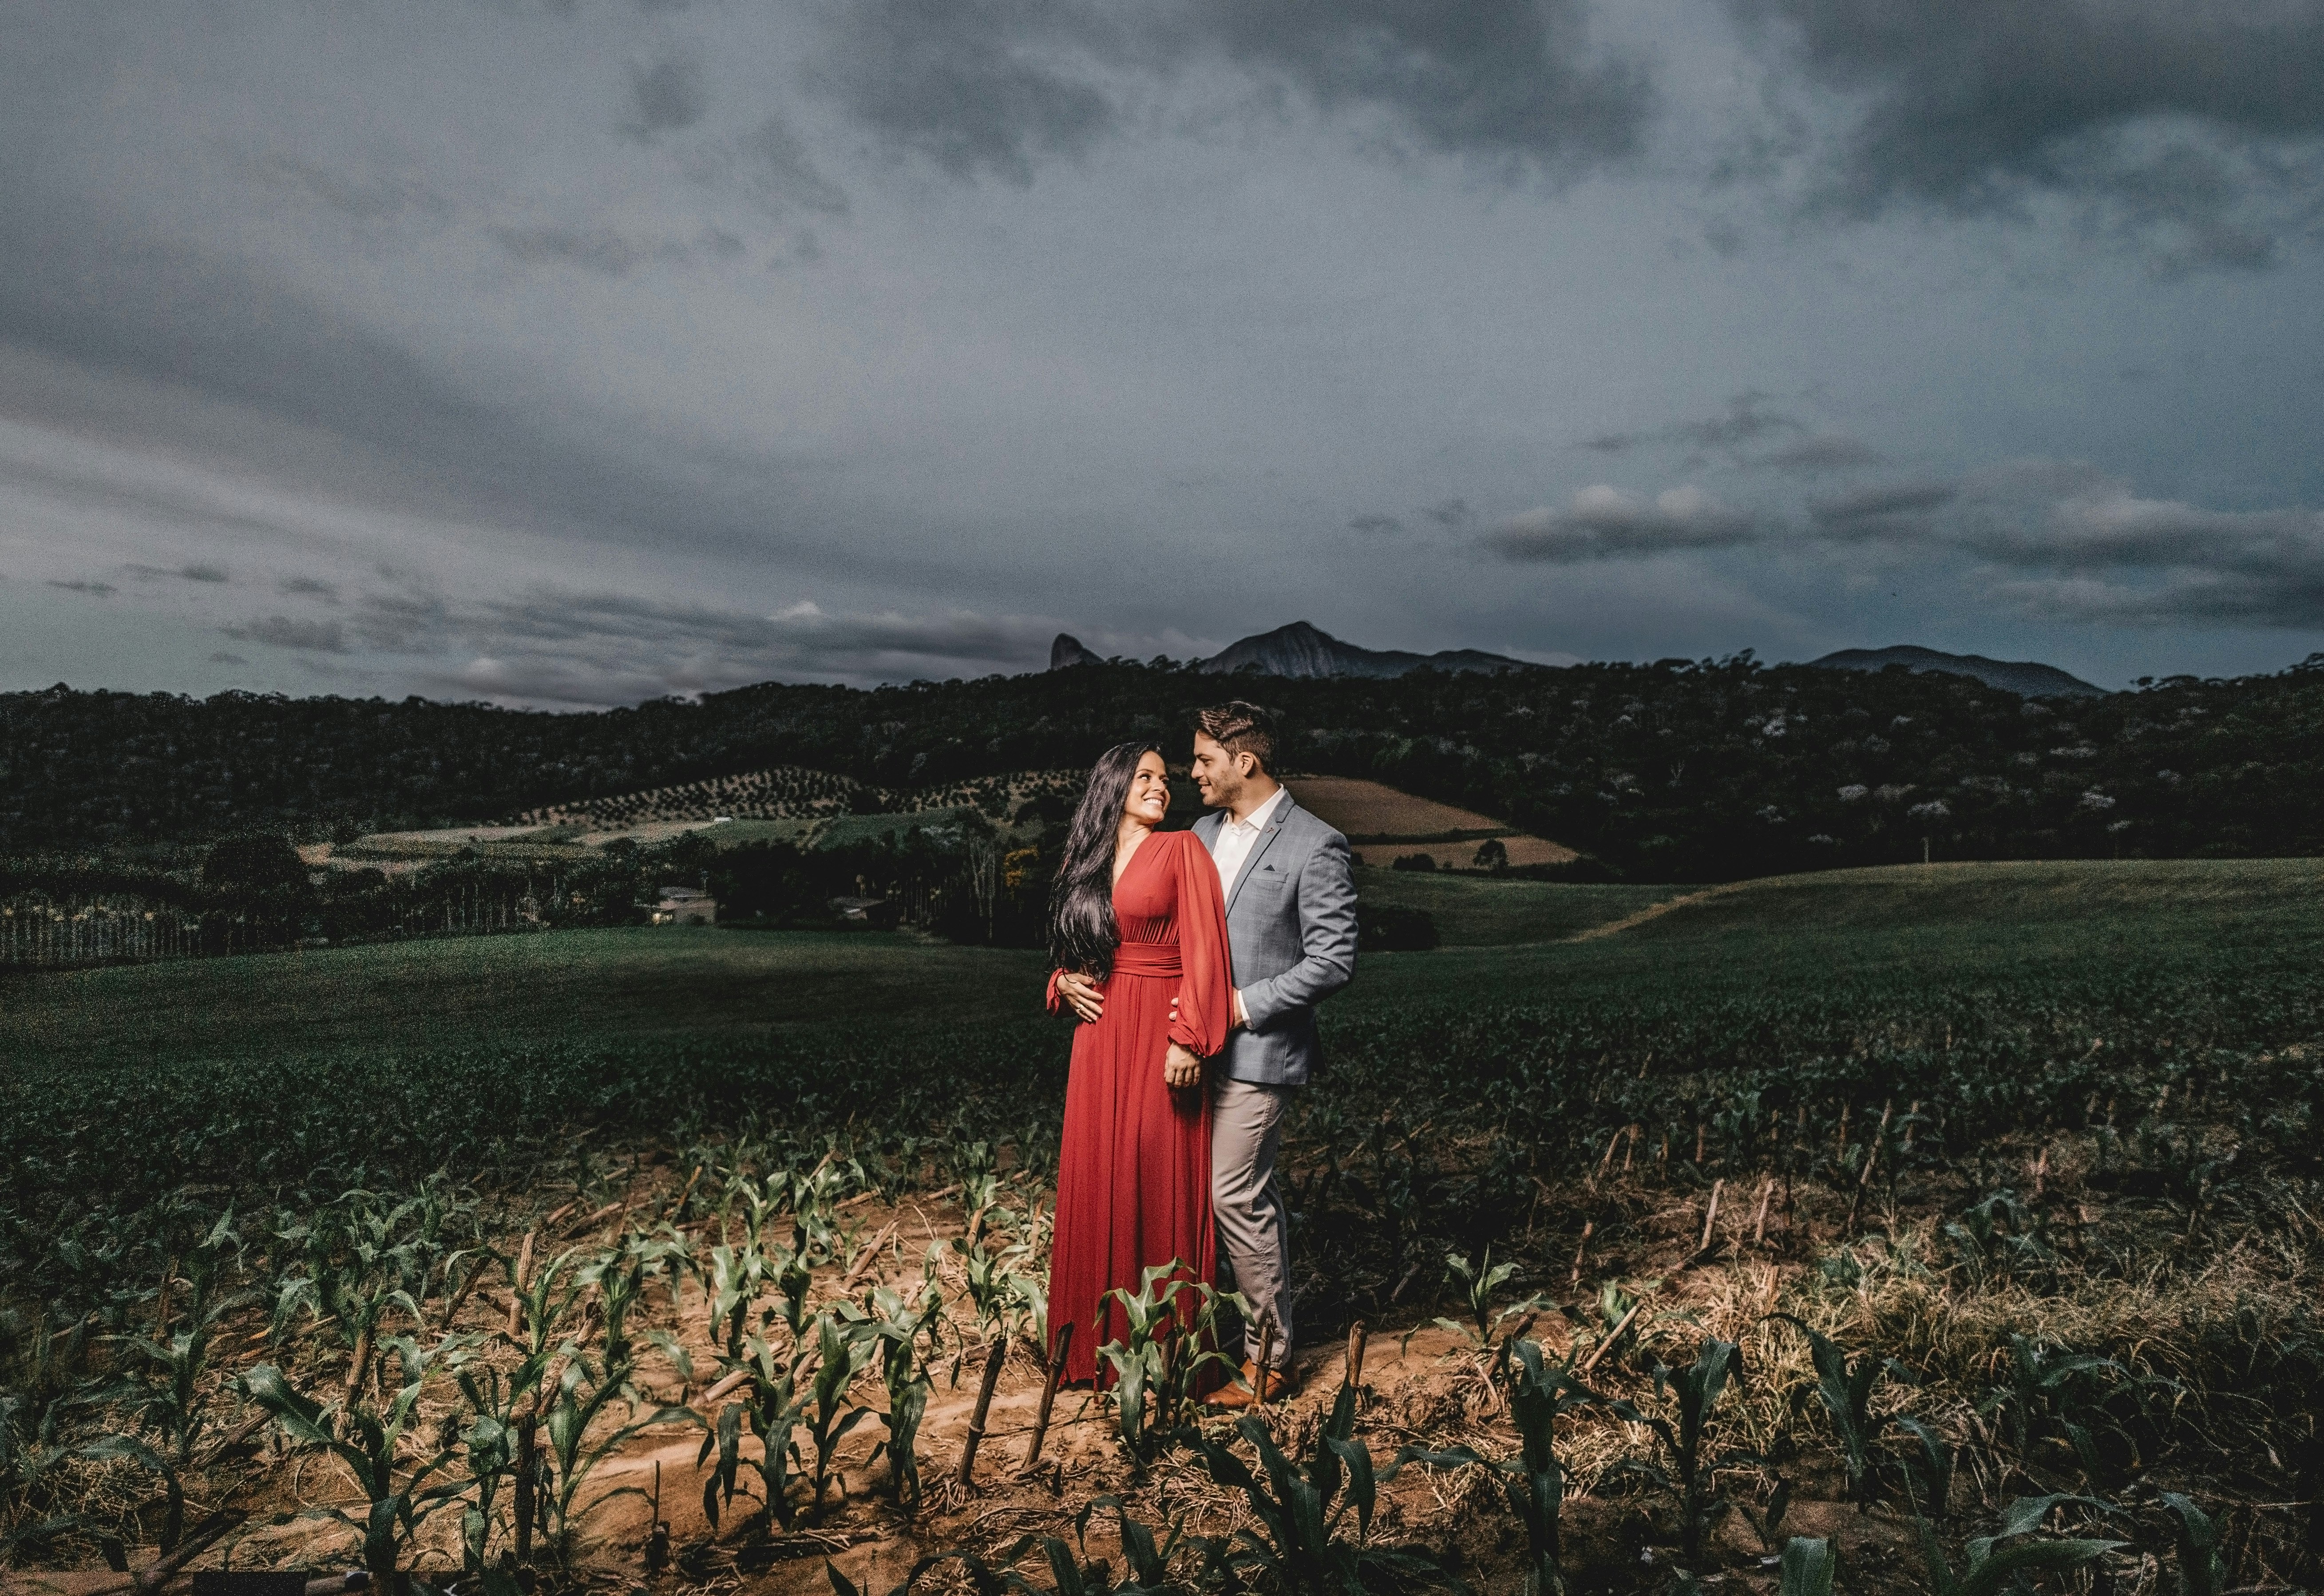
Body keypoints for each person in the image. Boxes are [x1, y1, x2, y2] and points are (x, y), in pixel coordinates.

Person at [1054, 702, 1358, 1408]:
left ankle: (1270, 1361)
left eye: (1202, 761)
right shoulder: (1195, 834)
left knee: (1233, 1194)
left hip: (1257, 1050)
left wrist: (1236, 1007)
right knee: (1193, 1197)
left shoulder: (1317, 844)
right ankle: (1181, 1339)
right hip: (1178, 1050)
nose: (1192, 774)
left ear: (1242, 762)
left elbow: (1334, 961)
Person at [1041, 741, 1237, 1387]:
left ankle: (1167, 1357)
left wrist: (1189, 1038)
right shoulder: (1084, 860)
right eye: (1145, 777)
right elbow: (1075, 949)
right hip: (1098, 1039)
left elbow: (1208, 952)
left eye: (1165, 778)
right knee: (1098, 1173)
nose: (1161, 787)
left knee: (1154, 1173)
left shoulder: (1182, 850)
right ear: (1115, 784)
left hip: (1160, 1030)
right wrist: (1061, 982)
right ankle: (1092, 1350)